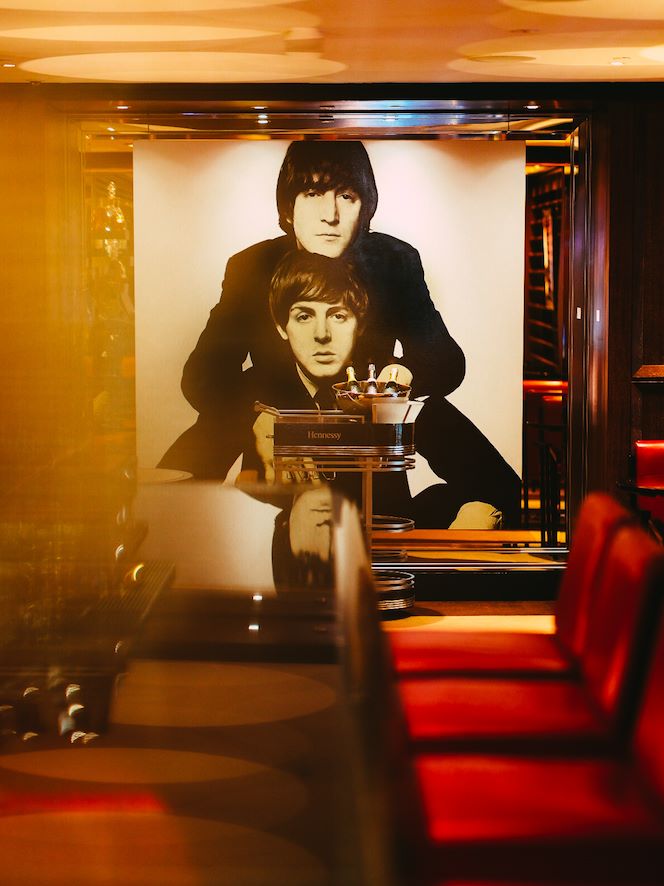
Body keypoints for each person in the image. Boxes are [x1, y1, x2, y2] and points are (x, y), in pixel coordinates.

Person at [159, 140, 465, 480]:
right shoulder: (253, 265)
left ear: (365, 208)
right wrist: (253, 416)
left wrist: (403, 375)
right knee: (187, 464)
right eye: (313, 193)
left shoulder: (393, 261)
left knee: (443, 423)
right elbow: (203, 376)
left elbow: (447, 361)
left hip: (366, 449)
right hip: (278, 449)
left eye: (346, 196)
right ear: (288, 208)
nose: (330, 215)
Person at [242, 250, 521, 529]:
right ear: (281, 326)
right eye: (304, 316)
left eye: (338, 315)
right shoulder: (253, 396)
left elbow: (506, 489)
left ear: (360, 325)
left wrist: (470, 515)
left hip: (386, 548)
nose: (322, 334)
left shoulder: (389, 391)